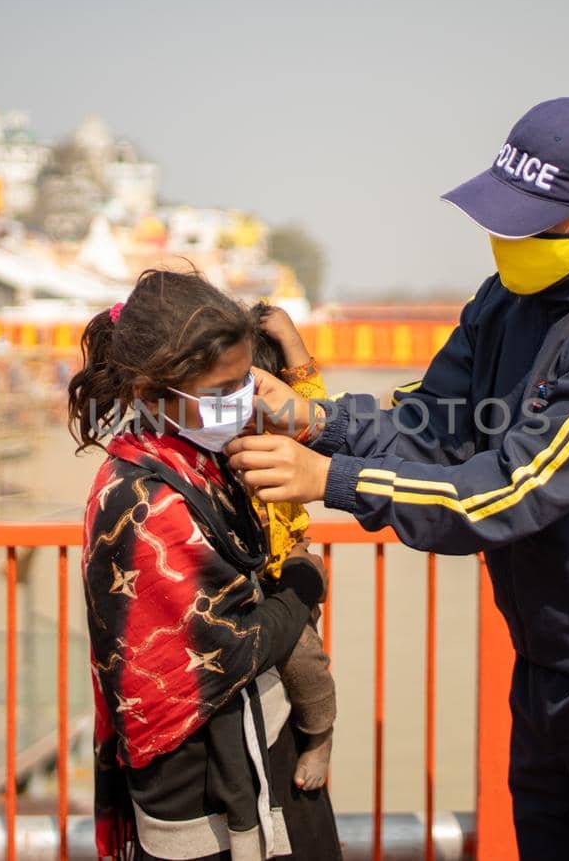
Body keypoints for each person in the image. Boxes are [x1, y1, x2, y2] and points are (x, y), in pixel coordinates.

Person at [229, 97, 569, 860]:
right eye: (503, 220)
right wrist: (314, 420)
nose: (509, 241)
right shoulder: (504, 302)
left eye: (534, 228)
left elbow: (510, 490)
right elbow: (431, 426)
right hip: (544, 660)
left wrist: (327, 478)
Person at [67, 269, 340, 860]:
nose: (240, 401)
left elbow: (314, 423)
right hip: (201, 786)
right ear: (151, 393)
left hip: (256, 741)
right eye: (221, 391)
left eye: (245, 381)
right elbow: (226, 647)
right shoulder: (143, 501)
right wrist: (301, 588)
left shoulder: (199, 456)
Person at [251, 303, 339, 791]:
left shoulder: (286, 428)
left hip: (285, 572)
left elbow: (313, 398)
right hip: (236, 580)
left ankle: (320, 732)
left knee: (303, 660)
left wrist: (288, 335)